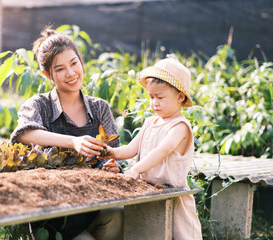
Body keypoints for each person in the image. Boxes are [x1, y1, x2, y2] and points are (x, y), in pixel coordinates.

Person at [10, 26, 122, 240]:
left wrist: (112, 167)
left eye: (73, 63)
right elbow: (23, 134)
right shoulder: (39, 105)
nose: (70, 73)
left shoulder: (99, 108)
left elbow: (114, 156)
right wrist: (73, 142)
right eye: (60, 69)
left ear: (81, 60)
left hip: (94, 204)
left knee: (117, 214)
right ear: (47, 74)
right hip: (55, 216)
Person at [102, 55, 203, 240]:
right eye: (151, 97)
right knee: (145, 232)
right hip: (146, 191)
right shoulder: (150, 122)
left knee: (178, 234)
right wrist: (111, 151)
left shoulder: (180, 126)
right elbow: (131, 148)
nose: (154, 103)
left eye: (160, 97)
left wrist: (135, 169)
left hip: (172, 193)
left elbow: (162, 150)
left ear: (180, 96)